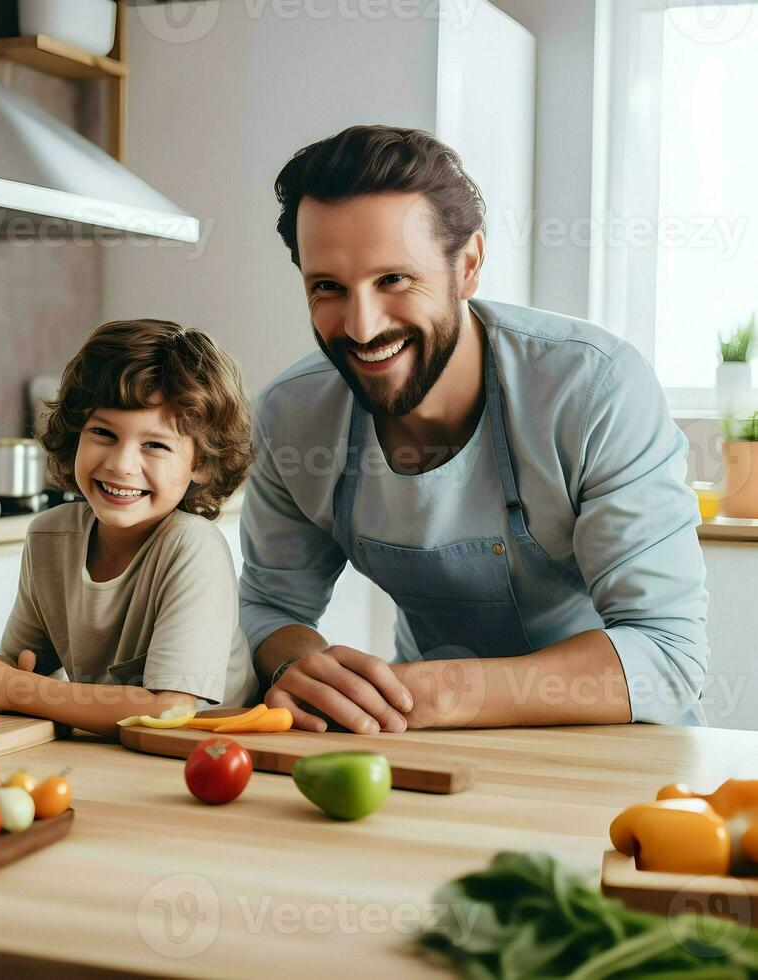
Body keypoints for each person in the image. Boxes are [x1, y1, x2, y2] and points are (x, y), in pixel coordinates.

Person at [240, 125, 709, 734]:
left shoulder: (594, 388)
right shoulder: (291, 415)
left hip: (615, 746)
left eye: (394, 280)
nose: (360, 326)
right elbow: (272, 607)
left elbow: (666, 654)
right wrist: (300, 668)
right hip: (426, 743)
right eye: (328, 287)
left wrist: (433, 693)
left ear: (468, 266)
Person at [0, 319, 259, 737]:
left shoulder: (193, 547)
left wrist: (13, 688)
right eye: (102, 432)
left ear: (202, 464)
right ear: (75, 434)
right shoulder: (49, 537)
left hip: (205, 758)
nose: (120, 464)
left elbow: (169, 710)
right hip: (112, 752)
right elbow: (20, 669)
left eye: (154, 445)